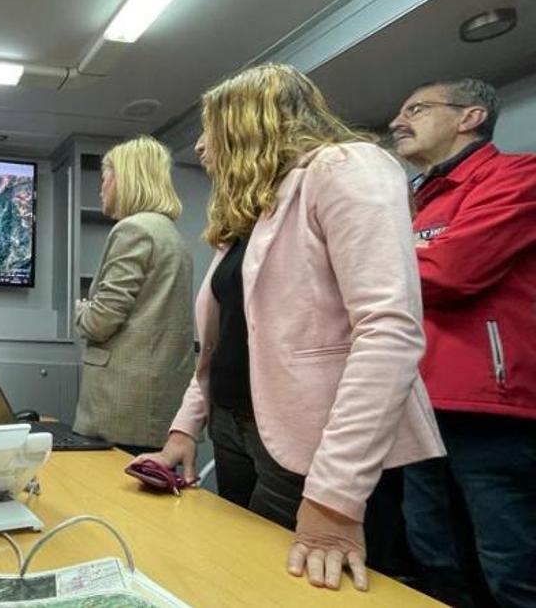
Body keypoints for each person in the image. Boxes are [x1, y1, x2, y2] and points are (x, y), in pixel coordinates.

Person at [136, 63, 445, 592]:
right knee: (236, 577)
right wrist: (184, 429)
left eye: (211, 130)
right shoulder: (251, 214)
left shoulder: (346, 167)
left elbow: (388, 332)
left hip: (316, 448)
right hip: (237, 428)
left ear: (248, 125)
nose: (203, 148)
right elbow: (222, 344)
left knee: (287, 589)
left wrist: (335, 496)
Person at [389, 78, 536, 607]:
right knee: (434, 554)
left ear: (469, 116)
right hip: (419, 403)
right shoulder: (417, 201)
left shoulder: (518, 176)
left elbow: (451, 271)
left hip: (489, 411)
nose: (397, 121)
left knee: (509, 564)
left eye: (417, 108)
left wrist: (371, 272)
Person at [73, 136, 194, 455]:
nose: (101, 188)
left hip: (122, 408)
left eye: (105, 178)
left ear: (126, 179)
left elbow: (99, 322)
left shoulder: (133, 230)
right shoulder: (170, 234)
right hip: (154, 407)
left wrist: (81, 311)